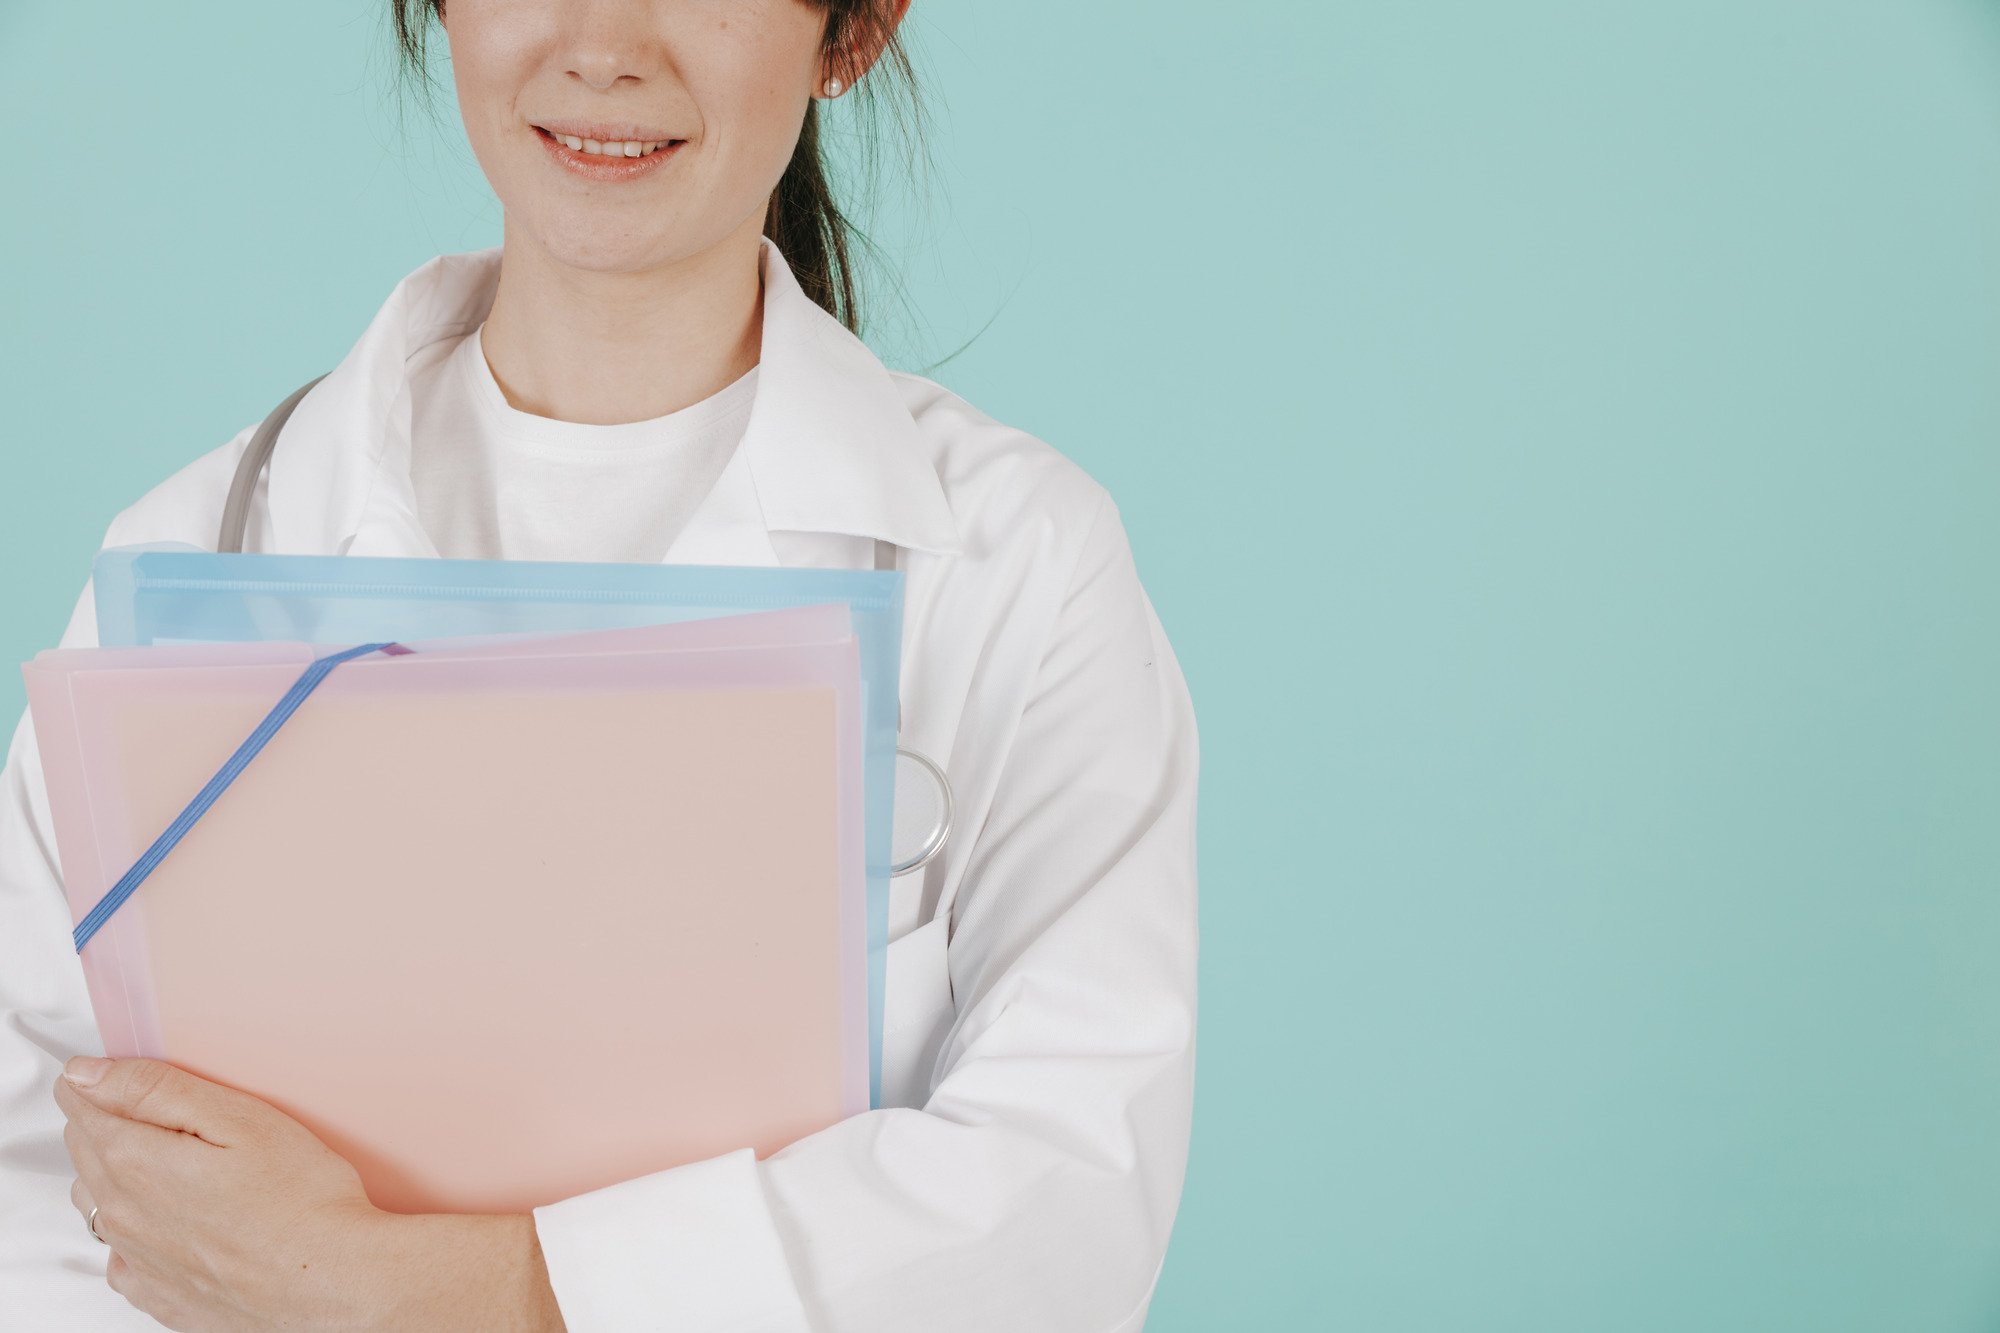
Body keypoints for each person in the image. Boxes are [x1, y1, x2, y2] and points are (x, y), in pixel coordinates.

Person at [0, 0, 1201, 1327]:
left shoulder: (1016, 567)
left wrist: (405, 1294)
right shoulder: (198, 548)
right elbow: (36, 1185)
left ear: (854, 30)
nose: (605, 45)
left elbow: (1066, 1198)